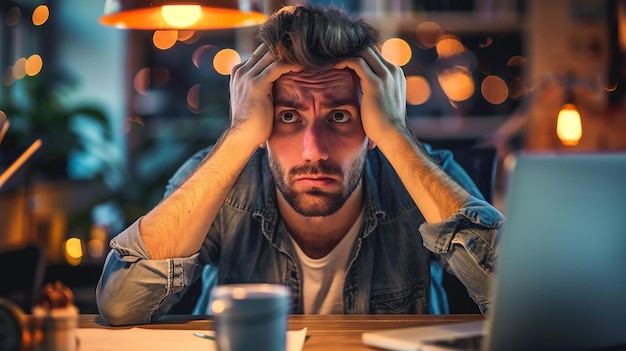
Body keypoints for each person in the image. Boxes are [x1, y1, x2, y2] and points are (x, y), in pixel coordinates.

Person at [96, 4, 504, 326]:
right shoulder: (218, 176)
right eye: (289, 116)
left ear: (373, 118)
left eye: (340, 116)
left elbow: (529, 303)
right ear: (262, 118)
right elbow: (120, 305)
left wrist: (396, 136)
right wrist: (239, 134)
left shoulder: (423, 174)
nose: (314, 151)